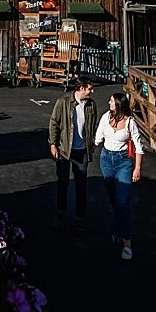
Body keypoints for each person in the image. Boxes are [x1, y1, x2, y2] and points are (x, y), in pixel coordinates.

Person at [95, 91, 145, 260]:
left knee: (123, 201)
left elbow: (138, 146)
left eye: (111, 101)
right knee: (113, 199)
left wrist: (137, 168)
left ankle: (127, 240)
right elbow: (98, 137)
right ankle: (117, 228)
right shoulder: (105, 117)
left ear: (118, 104)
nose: (108, 102)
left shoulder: (130, 122)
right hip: (106, 159)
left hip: (123, 162)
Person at [46, 78, 99, 234]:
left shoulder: (91, 105)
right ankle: (61, 214)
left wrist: (92, 144)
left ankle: (79, 219)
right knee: (63, 183)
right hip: (64, 149)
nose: (92, 91)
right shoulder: (64, 102)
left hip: (81, 150)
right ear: (81, 88)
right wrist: (53, 144)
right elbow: (54, 122)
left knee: (81, 185)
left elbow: (93, 126)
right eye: (90, 88)